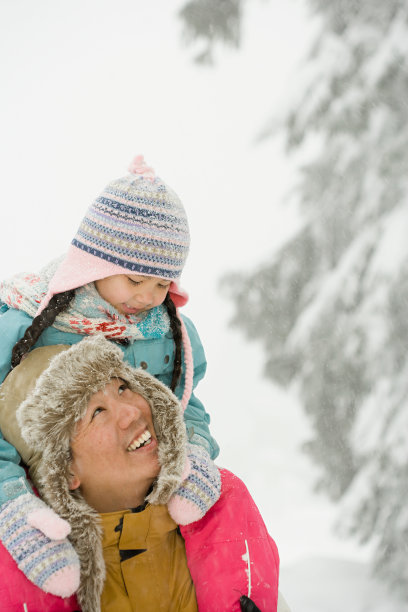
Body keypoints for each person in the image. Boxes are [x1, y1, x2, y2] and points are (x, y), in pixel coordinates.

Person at [0, 155, 220, 595]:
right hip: (45, 495)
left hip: (131, 505)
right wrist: (12, 501)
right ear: (95, 263)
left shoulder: (166, 331)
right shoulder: (29, 321)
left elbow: (184, 400)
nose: (147, 297)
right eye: (135, 279)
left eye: (162, 284)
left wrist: (193, 450)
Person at [0, 335, 284, 611]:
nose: (131, 413)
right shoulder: (48, 575)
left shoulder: (220, 539)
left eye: (123, 388)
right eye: (97, 412)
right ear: (65, 470)